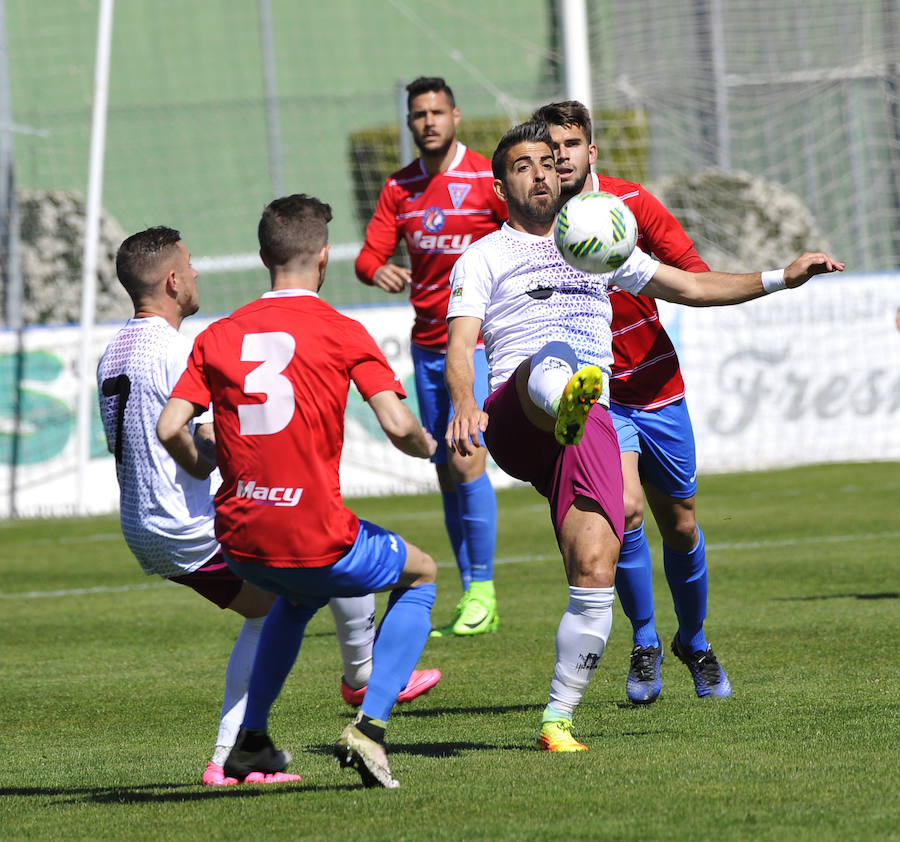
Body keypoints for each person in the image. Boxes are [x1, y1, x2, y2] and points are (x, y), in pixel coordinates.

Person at [444, 120, 842, 751]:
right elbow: (460, 343)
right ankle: (566, 391)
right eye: (524, 166)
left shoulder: (595, 242)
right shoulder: (484, 256)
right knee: (553, 357)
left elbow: (690, 286)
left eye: (548, 162)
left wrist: (779, 278)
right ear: (500, 186)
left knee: (594, 569)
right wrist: (464, 403)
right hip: (519, 412)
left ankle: (557, 719)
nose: (542, 173)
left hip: (587, 422)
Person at [98, 226, 437, 789]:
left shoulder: (117, 347)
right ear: (174, 281)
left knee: (290, 592)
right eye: (191, 265)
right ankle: (342, 694)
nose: (199, 275)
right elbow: (195, 441)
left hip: (143, 520)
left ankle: (273, 732)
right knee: (316, 556)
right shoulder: (176, 348)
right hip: (187, 522)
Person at [533, 99, 727, 703]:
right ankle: (644, 642)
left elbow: (692, 270)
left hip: (658, 384)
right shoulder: (533, 222)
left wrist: (640, 272)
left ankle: (692, 640)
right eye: (549, 148)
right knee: (626, 509)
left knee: (682, 523)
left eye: (569, 145)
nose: (558, 157)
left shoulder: (631, 205)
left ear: (590, 152)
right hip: (600, 395)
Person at [355, 76, 506, 637]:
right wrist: (379, 269)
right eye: (418, 115)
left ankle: (483, 588)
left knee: (467, 458)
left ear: (456, 116)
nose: (428, 122)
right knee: (445, 468)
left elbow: (524, 239)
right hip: (426, 346)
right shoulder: (400, 187)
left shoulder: (486, 179)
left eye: (437, 112)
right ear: (410, 122)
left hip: (478, 341)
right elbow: (368, 256)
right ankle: (472, 593)